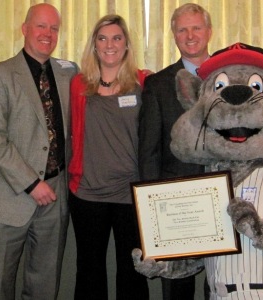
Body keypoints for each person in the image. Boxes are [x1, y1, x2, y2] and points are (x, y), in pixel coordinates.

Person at [0, 3, 78, 299]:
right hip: (9, 198)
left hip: (55, 197)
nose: (48, 34)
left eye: (54, 28)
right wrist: (32, 184)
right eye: (41, 26)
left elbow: (103, 82)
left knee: (45, 287)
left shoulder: (67, 75)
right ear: (24, 29)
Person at [68, 14, 149, 300]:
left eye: (117, 38)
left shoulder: (144, 83)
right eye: (102, 38)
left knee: (132, 273)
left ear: (126, 44)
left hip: (130, 195)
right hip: (87, 194)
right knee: (88, 271)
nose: (109, 44)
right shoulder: (78, 85)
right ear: (94, 45)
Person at [138, 3, 212, 300]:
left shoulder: (232, 77)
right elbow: (149, 151)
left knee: (221, 285)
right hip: (175, 203)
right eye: (182, 29)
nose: (190, 35)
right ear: (173, 35)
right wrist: (151, 210)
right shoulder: (157, 84)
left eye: (196, 28)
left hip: (226, 199)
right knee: (177, 290)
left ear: (208, 31)